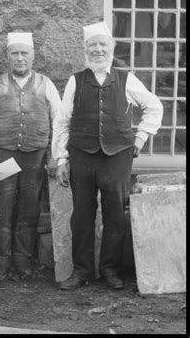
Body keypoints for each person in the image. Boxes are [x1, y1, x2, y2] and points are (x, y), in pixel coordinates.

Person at [52, 21, 163, 290]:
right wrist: (62, 160)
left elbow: (154, 106)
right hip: (82, 157)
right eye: (93, 46)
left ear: (111, 48)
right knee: (81, 215)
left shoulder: (126, 78)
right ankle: (82, 271)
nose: (98, 50)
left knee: (114, 216)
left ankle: (111, 270)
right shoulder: (75, 81)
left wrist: (140, 138)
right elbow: (62, 121)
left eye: (103, 45)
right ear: (85, 50)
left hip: (117, 157)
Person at [0, 32, 62, 280]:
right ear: (7, 56)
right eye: (15, 53)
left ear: (33, 56)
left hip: (34, 159)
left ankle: (22, 261)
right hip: (4, 158)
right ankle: (1, 262)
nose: (20, 58)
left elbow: (59, 121)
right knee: (3, 209)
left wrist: (55, 155)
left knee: (29, 210)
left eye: (24, 53)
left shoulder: (45, 84)